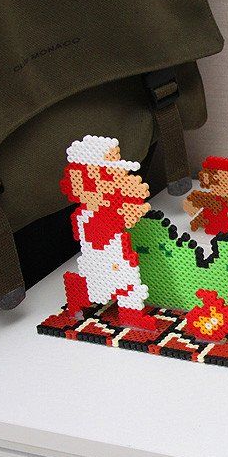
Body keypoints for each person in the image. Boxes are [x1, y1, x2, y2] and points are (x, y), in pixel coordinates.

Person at [59, 135, 155, 330]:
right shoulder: (88, 214)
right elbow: (102, 230)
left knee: (125, 284)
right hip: (103, 257)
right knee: (107, 285)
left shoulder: (103, 205)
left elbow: (126, 213)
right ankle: (76, 296)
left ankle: (131, 315)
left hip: (113, 255)